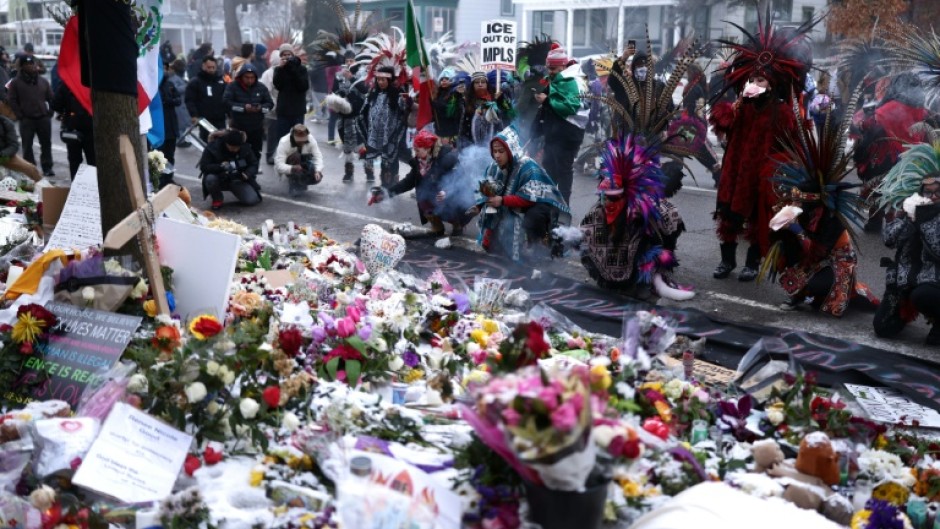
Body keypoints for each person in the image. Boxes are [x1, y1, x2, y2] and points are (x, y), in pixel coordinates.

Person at [709, 12, 815, 282]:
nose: (754, 84)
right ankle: (726, 260)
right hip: (735, 167)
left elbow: (791, 145)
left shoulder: (782, 112)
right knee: (729, 214)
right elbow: (722, 127)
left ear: (773, 84)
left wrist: (777, 168)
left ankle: (752, 263)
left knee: (757, 218)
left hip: (762, 173)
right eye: (752, 79)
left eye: (761, 80)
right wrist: (728, 111)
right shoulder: (741, 106)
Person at [581, 136, 692, 301]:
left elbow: (668, 221)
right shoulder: (601, 207)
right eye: (603, 197)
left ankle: (647, 280)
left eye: (609, 198)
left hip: (641, 214)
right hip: (620, 211)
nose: (605, 202)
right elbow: (586, 229)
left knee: (652, 230)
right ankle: (613, 279)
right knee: (596, 226)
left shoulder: (647, 205)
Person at [873, 142, 940, 344]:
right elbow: (888, 240)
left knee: (923, 296)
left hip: (932, 282)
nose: (933, 196)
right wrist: (908, 219)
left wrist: (925, 222)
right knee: (883, 327)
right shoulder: (911, 208)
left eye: (937, 191)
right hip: (903, 280)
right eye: (928, 192)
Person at [470, 126, 570, 262]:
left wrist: (502, 200)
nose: (497, 155)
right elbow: (485, 189)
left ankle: (536, 243)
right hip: (507, 203)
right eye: (494, 151)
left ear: (510, 151)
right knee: (489, 208)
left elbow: (530, 198)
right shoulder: (494, 167)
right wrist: (479, 205)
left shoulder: (528, 166)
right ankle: (491, 238)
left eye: (501, 151)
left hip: (534, 205)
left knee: (533, 216)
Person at [368, 130, 471, 236]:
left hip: (457, 195)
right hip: (438, 194)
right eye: (414, 150)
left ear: (428, 149)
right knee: (422, 193)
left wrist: (447, 191)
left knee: (450, 199)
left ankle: (457, 224)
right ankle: (437, 227)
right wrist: (385, 194)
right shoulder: (420, 162)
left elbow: (459, 179)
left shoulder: (447, 157)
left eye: (417, 150)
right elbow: (407, 183)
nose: (415, 153)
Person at [531, 45, 585, 205]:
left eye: (554, 68)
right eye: (549, 68)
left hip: (567, 137)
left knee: (563, 172)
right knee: (549, 172)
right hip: (553, 136)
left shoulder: (571, 81)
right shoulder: (555, 81)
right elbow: (547, 109)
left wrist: (546, 100)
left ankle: (563, 208)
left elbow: (570, 107)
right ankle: (549, 207)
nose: (551, 71)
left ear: (563, 66)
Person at [357, 65, 409, 186]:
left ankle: (392, 185)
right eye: (378, 79)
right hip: (376, 134)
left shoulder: (398, 94)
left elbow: (403, 114)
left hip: (392, 135)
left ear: (389, 80)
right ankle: (384, 185)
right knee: (382, 159)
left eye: (383, 80)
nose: (380, 82)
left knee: (391, 158)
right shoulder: (373, 93)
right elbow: (363, 112)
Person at [7, 56, 54, 177]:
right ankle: (30, 169)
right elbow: (12, 100)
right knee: (27, 146)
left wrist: (50, 112)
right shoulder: (16, 82)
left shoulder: (43, 81)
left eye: (32, 64)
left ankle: (47, 167)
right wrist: (20, 115)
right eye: (27, 64)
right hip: (26, 119)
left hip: (43, 118)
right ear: (22, 66)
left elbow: (51, 97)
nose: (31, 66)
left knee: (46, 144)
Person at [326, 52, 369, 182]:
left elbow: (364, 90)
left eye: (352, 60)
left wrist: (351, 78)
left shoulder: (362, 74)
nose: (349, 63)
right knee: (347, 147)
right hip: (344, 118)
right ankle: (349, 173)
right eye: (347, 60)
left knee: (363, 147)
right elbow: (334, 91)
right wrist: (340, 95)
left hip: (359, 118)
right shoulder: (339, 75)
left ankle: (369, 172)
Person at [199, 129, 261, 210]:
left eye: (237, 147)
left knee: (251, 200)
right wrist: (220, 166)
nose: (234, 150)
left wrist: (247, 173)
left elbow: (253, 163)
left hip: (237, 179)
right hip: (219, 177)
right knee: (210, 179)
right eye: (231, 147)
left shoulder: (245, 148)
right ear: (226, 143)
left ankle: (238, 189)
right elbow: (204, 166)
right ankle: (217, 198)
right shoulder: (212, 147)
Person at [223, 63, 274, 159]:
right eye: (247, 77)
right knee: (237, 152)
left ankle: (253, 170)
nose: (250, 80)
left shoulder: (261, 87)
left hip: (256, 127)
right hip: (238, 127)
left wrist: (260, 108)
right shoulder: (233, 86)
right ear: (241, 76)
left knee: (255, 152)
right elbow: (226, 102)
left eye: (252, 77)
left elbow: (270, 104)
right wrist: (243, 108)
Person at [52, 83, 94, 179]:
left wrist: (65, 112)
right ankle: (94, 188)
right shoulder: (92, 82)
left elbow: (55, 105)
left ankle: (76, 188)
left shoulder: (67, 84)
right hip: (90, 127)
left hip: (72, 128)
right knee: (93, 161)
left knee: (74, 161)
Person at [185, 56, 228, 142]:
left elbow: (227, 98)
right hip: (204, 120)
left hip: (220, 119)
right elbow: (190, 100)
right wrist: (194, 115)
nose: (211, 70)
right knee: (206, 143)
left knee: (221, 143)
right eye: (209, 67)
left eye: (213, 67)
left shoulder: (221, 81)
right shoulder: (195, 82)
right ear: (203, 66)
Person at [274, 123, 323, 198]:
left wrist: (318, 170)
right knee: (296, 156)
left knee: (315, 172)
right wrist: (292, 168)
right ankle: (293, 183)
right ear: (293, 137)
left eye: (304, 141)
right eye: (299, 141)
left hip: (304, 161)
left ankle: (302, 182)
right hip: (290, 164)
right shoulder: (284, 142)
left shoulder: (310, 139)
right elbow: (279, 165)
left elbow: (318, 156)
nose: (302, 143)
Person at [273, 44, 310, 140]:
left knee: (298, 139)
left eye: (289, 54)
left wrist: (293, 70)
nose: (286, 57)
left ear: (293, 55)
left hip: (297, 110)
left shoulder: (301, 69)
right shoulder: (278, 69)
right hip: (283, 110)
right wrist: (281, 69)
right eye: (284, 55)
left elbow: (303, 86)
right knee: (282, 140)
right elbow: (278, 85)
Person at [156, 60, 182, 165]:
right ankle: (159, 179)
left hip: (171, 126)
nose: (164, 70)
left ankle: (169, 177)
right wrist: (169, 101)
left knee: (170, 155)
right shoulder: (154, 86)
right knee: (158, 156)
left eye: (165, 68)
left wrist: (169, 101)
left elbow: (178, 100)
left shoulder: (170, 84)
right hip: (159, 126)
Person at [0, 115, 40, 182]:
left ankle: (44, 189)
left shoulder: (6, 123)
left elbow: (14, 145)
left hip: (4, 156)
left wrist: (2, 154)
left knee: (31, 169)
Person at [431, 68, 465, 147]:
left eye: (447, 79)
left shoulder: (455, 93)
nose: (444, 81)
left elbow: (450, 111)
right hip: (440, 131)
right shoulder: (437, 93)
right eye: (442, 79)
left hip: (451, 132)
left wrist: (436, 104)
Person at [259, 53, 281, 165]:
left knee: (282, 134)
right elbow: (266, 91)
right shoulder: (268, 74)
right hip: (273, 109)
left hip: (284, 108)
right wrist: (273, 105)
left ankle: (279, 156)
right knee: (273, 134)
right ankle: (270, 155)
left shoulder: (285, 71)